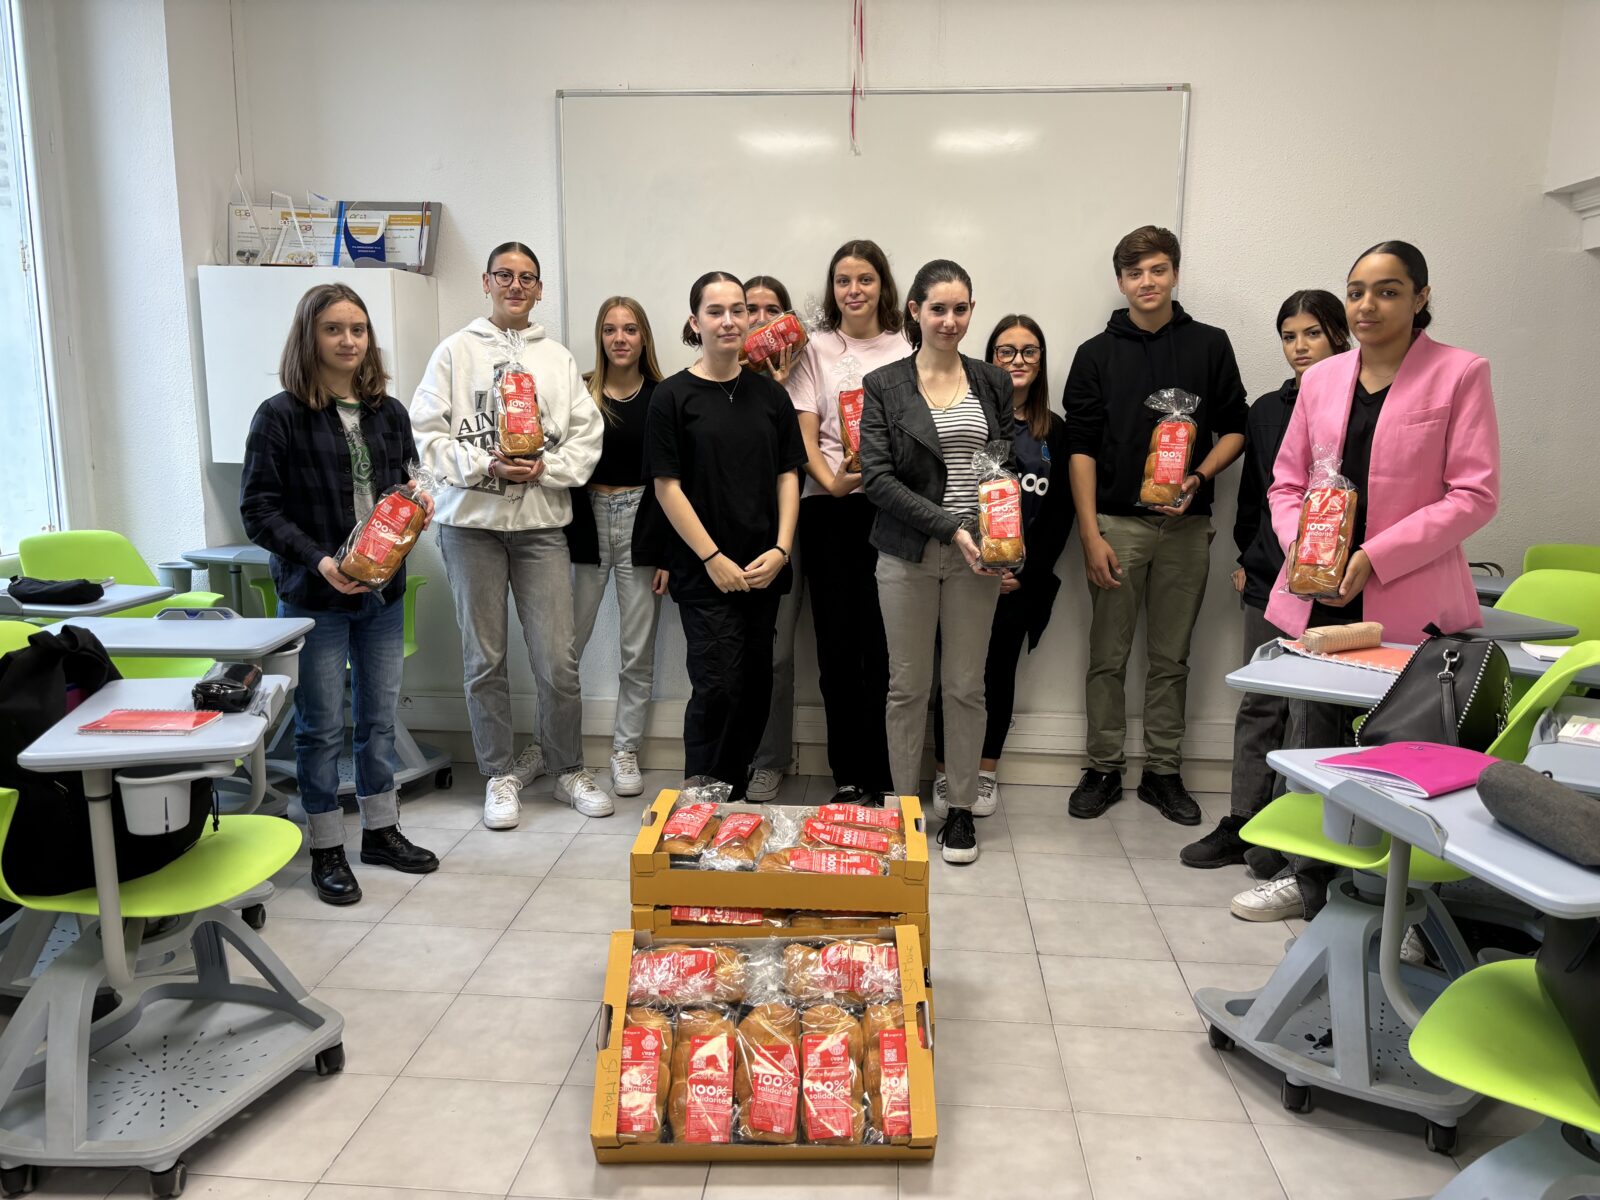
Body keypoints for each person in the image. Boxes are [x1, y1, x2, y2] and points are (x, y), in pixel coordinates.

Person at [1232, 240, 1500, 922]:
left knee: (1400, 752)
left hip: (1409, 598)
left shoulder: (1458, 374)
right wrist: (1304, 552)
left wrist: (1376, 556)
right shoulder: (1323, 380)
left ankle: (1398, 903)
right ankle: (1309, 877)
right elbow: (1287, 480)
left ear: (1421, 297)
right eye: (1356, 291)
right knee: (1312, 736)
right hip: (1321, 593)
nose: (1367, 305)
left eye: (1386, 290)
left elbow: (1474, 494)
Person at [241, 282, 439, 905]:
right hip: (315, 595)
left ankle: (381, 831)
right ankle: (325, 844)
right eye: (334, 329)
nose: (349, 340)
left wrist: (418, 511)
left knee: (379, 721)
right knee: (321, 727)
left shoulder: (390, 413)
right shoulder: (279, 416)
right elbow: (258, 510)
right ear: (310, 337)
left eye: (358, 329)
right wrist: (320, 560)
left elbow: (406, 489)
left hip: (382, 594)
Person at [411, 241, 609, 831]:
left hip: (542, 527)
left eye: (527, 278)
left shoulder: (559, 360)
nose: (515, 285)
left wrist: (547, 468)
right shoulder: (454, 352)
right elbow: (426, 433)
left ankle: (566, 766)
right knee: (485, 658)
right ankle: (499, 774)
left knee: (557, 660)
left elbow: (586, 435)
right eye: (505, 275)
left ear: (540, 288)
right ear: (486, 281)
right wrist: (485, 465)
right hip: (470, 527)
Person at [1064, 225, 1247, 826]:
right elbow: (1081, 448)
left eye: (1159, 270)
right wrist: (1090, 533)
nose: (1148, 282)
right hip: (1117, 524)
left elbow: (1237, 429)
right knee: (1106, 655)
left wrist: (1197, 477)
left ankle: (1163, 772)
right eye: (1136, 272)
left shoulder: (1210, 345)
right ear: (1120, 281)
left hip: (1188, 528)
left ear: (1175, 273)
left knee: (1173, 657)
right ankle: (1103, 768)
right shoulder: (1095, 354)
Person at [1180, 290, 1350, 869]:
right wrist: (1246, 557)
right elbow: (1255, 499)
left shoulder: (1363, 401)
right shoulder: (1266, 411)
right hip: (1267, 577)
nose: (1299, 347)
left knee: (1314, 713)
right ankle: (1245, 823)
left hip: (1336, 586)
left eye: (1312, 333)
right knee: (1261, 702)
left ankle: (1294, 837)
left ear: (1339, 334)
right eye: (1288, 335)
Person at [860, 259, 1012, 865]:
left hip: (980, 558)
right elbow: (876, 479)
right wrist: (951, 526)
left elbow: (998, 468)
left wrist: (1000, 537)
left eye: (961, 308)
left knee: (966, 688)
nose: (950, 320)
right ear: (916, 313)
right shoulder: (885, 384)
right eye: (939, 308)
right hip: (907, 555)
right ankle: (904, 812)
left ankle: (962, 812)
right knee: (907, 687)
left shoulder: (991, 382)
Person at [644, 271, 806, 798]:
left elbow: (789, 474)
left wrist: (782, 548)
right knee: (717, 684)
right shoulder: (672, 396)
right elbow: (667, 487)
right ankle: (698, 795)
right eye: (716, 311)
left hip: (763, 566)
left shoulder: (770, 396)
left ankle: (729, 794)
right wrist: (711, 556)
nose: (731, 320)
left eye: (739, 309)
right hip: (703, 569)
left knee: (756, 685)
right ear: (696, 322)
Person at [931, 315, 1073, 816]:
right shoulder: (967, 417)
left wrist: (1023, 572)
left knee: (996, 676)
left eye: (1029, 351)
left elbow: (1059, 514)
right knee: (952, 677)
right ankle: (947, 773)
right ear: (988, 358)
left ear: (1041, 361)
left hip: (1018, 581)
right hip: (962, 570)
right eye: (1006, 351)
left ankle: (986, 771)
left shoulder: (1055, 431)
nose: (1017, 360)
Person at [784, 239, 910, 805]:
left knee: (885, 648)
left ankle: (885, 773)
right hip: (827, 507)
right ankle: (849, 775)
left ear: (883, 284)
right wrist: (832, 481)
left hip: (890, 510)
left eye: (864, 279)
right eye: (842, 281)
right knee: (836, 648)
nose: (853, 291)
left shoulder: (908, 344)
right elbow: (804, 429)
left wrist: (877, 481)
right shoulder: (814, 348)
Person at [565, 296, 669, 799]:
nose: (620, 338)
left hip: (642, 521)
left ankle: (624, 751)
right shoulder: (579, 392)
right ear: (600, 337)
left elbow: (675, 480)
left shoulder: (664, 396)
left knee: (637, 652)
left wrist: (669, 552)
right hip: (584, 521)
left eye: (630, 329)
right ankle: (558, 749)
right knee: (562, 650)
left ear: (644, 336)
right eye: (610, 330)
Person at [742, 273, 804, 802]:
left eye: (771, 309)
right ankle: (730, 755)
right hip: (730, 536)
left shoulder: (805, 370)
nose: (760, 320)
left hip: (795, 528)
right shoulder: (715, 374)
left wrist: (778, 390)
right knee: (733, 653)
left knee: (779, 655)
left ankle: (770, 759)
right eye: (750, 308)